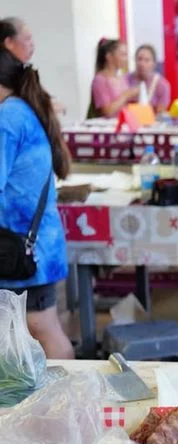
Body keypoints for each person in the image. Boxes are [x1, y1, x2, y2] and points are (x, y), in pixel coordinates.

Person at [0, 48, 73, 359]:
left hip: (23, 247)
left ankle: (67, 403)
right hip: (34, 244)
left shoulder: (7, 116)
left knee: (41, 327)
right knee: (39, 327)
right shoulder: (23, 109)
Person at [89, 38, 138, 118]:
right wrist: (127, 95)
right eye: (123, 55)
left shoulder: (122, 78)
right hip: (110, 128)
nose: (126, 59)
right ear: (109, 57)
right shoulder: (100, 80)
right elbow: (107, 112)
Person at [127, 44, 171, 114]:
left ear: (154, 63)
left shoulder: (162, 85)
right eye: (139, 59)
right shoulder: (125, 79)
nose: (142, 64)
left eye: (147, 60)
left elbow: (160, 113)